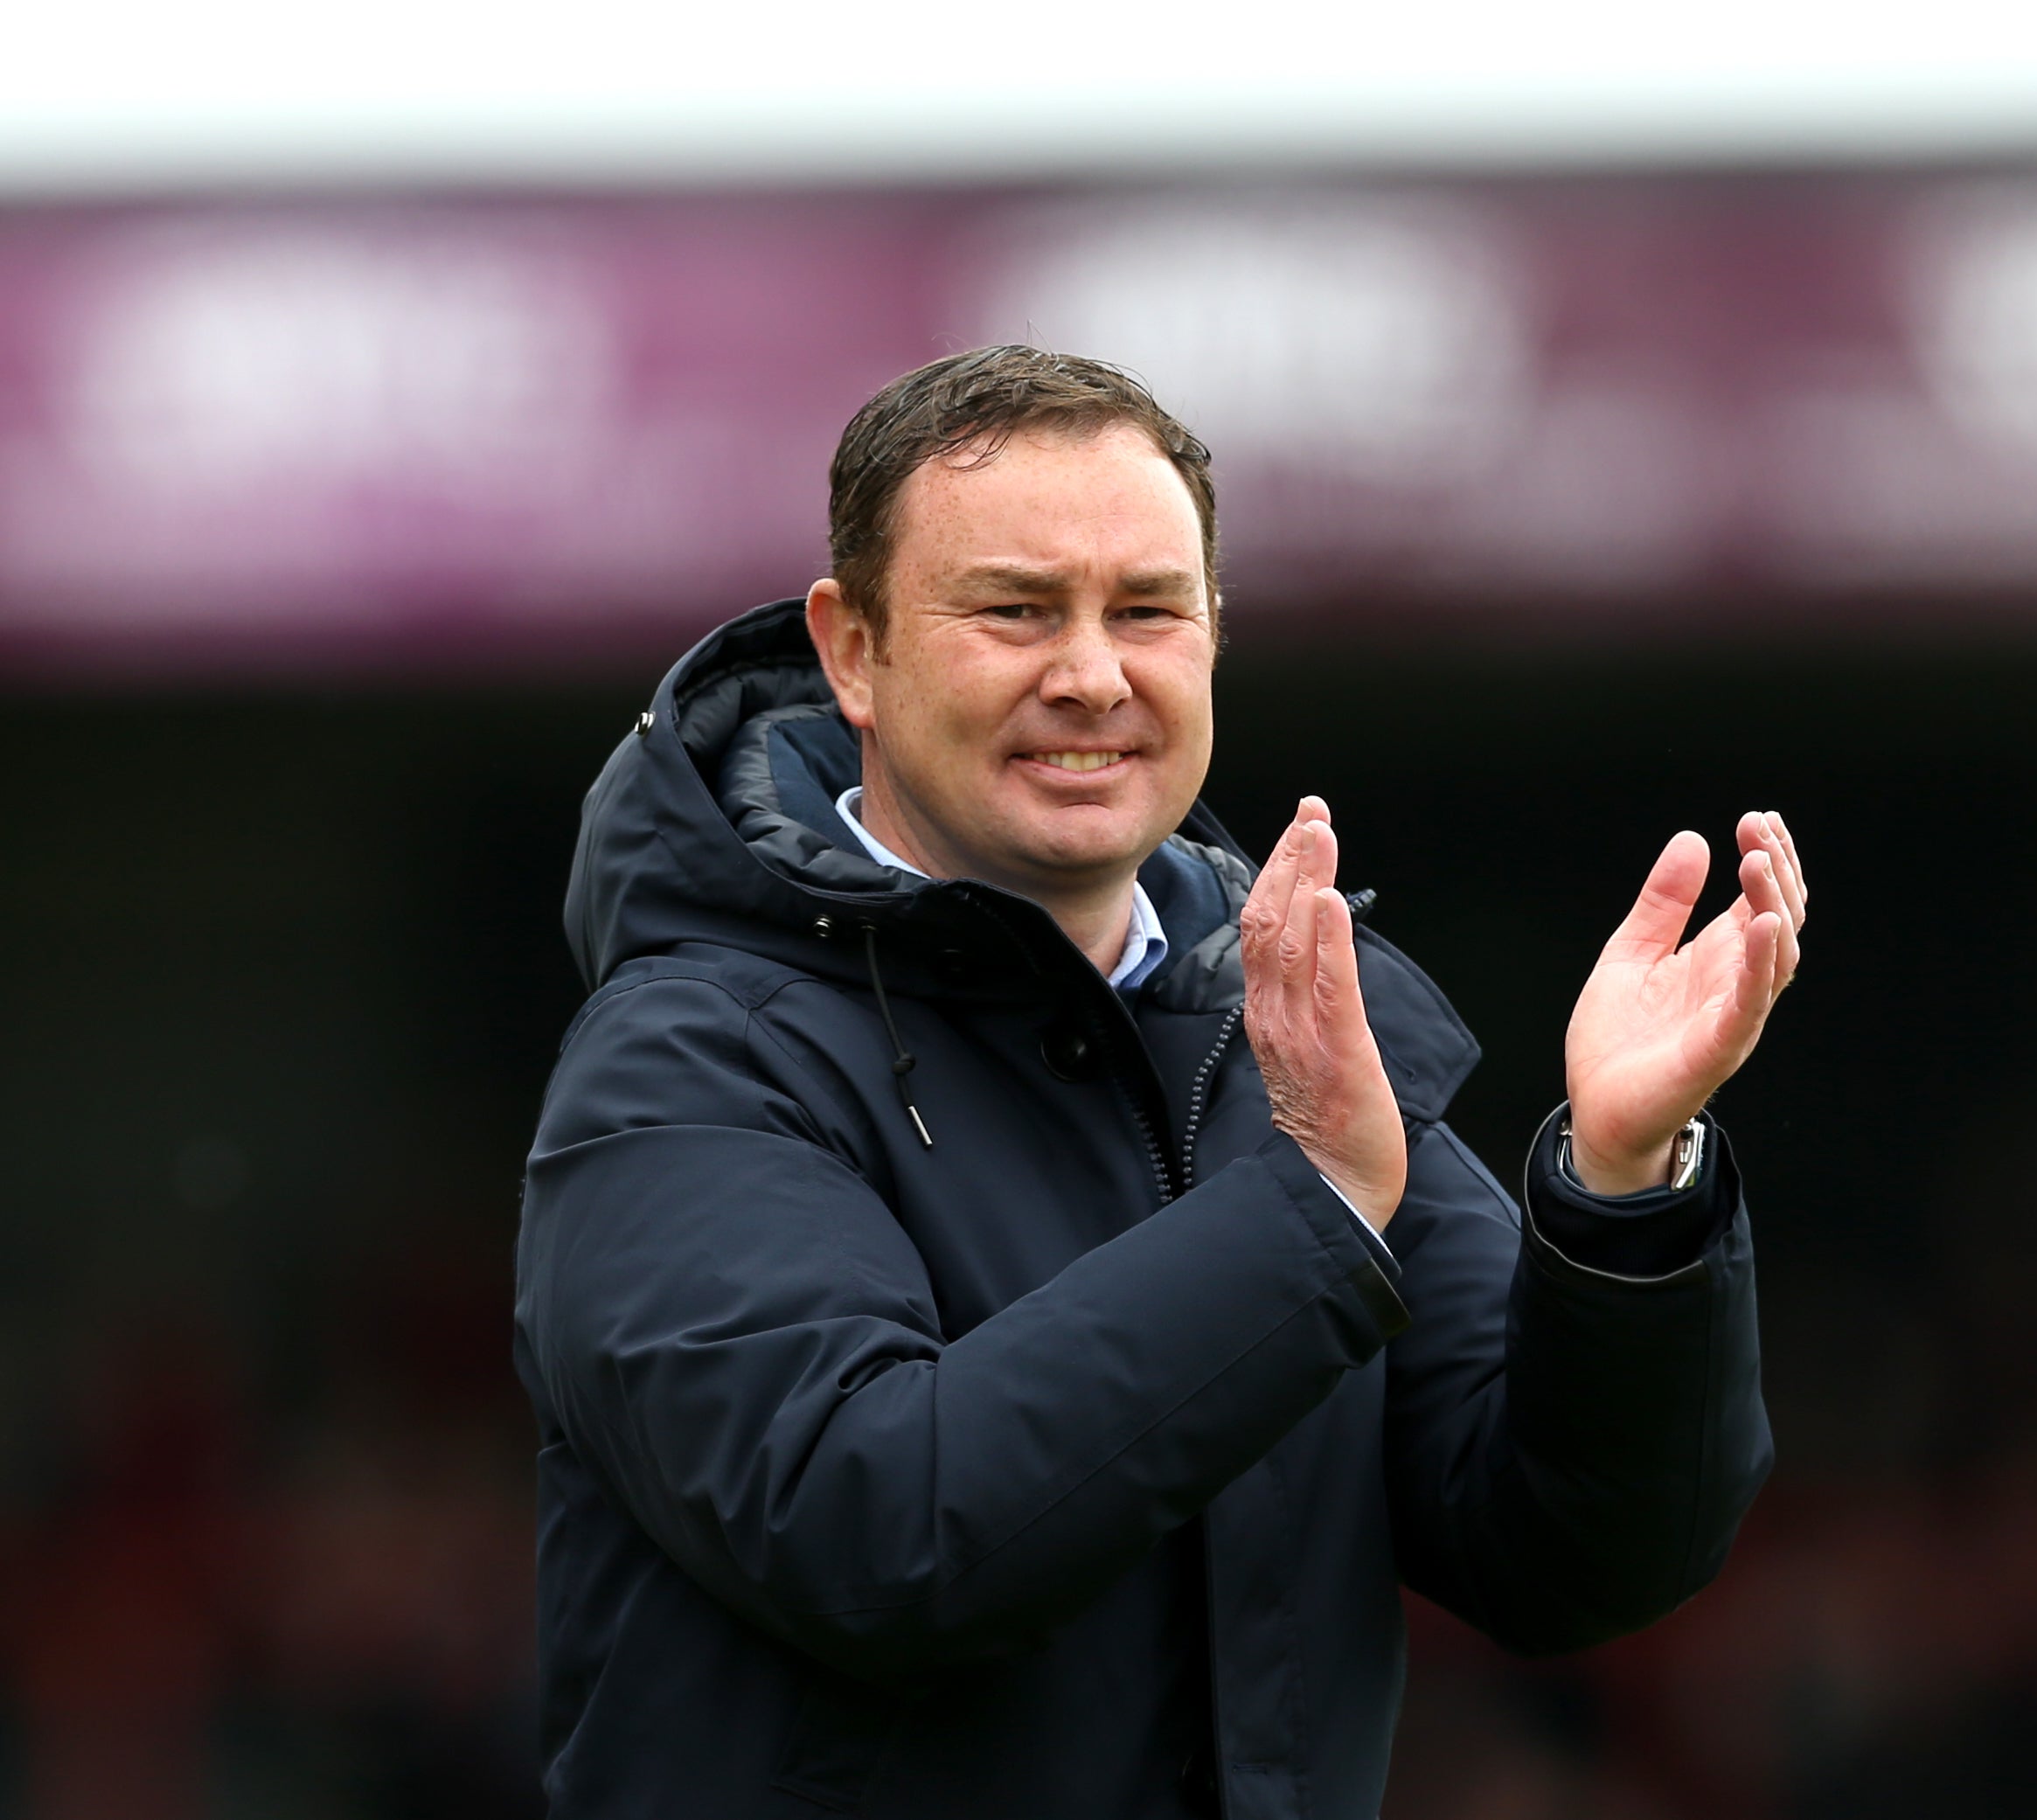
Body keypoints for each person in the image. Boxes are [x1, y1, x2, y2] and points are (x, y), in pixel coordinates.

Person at [514, 345, 1808, 1818]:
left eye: (1146, 610)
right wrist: (1308, 1209)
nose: (1090, 674)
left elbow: (1581, 1553)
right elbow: (876, 1526)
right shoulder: (680, 1059)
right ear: (852, 650)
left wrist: (1621, 1193)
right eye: (1014, 610)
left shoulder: (1288, 1032)